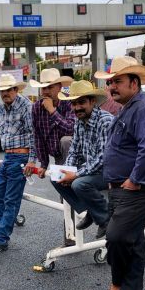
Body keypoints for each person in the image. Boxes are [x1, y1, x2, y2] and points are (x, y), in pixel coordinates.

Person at [95, 56, 145, 290]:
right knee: (131, 243)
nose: (112, 87)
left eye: (118, 82)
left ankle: (119, 287)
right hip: (121, 188)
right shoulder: (128, 107)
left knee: (116, 236)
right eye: (110, 82)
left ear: (134, 83)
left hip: (139, 188)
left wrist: (135, 179)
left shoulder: (144, 108)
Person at [0, 74, 33, 254]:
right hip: (8, 157)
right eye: (2, 90)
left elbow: (34, 135)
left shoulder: (26, 106)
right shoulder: (2, 108)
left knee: (11, 200)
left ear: (16, 90)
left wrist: (32, 161)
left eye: (9, 90)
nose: (5, 93)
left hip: (21, 158)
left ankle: (1, 239)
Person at [52, 80, 113, 239]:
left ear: (92, 101)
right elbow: (74, 151)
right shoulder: (79, 121)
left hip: (110, 171)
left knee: (79, 183)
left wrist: (76, 174)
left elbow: (103, 159)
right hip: (93, 170)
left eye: (81, 102)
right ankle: (93, 211)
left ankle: (105, 218)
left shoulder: (105, 121)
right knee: (55, 177)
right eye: (74, 103)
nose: (77, 107)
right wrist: (66, 170)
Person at [25, 68, 75, 175]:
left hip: (76, 153)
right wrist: (43, 164)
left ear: (59, 87)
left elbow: (70, 129)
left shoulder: (69, 102)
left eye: (50, 87)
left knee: (66, 140)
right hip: (57, 154)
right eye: (43, 88)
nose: (46, 91)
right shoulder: (36, 107)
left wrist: (52, 111)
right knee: (58, 181)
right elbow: (38, 137)